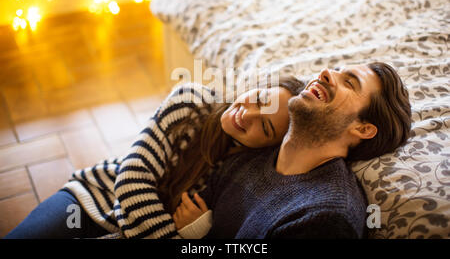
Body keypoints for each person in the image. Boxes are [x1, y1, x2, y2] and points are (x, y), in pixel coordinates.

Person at [4, 75, 304, 239]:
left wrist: (199, 230)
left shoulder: (244, 173)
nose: (247, 114)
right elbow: (132, 180)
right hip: (94, 199)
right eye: (260, 99)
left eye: (264, 127)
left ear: (269, 146)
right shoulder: (191, 101)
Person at [172, 62, 412, 239]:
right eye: (337, 69)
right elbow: (181, 216)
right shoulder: (249, 159)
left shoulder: (327, 216)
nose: (327, 72)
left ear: (363, 128)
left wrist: (201, 237)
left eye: (349, 82)